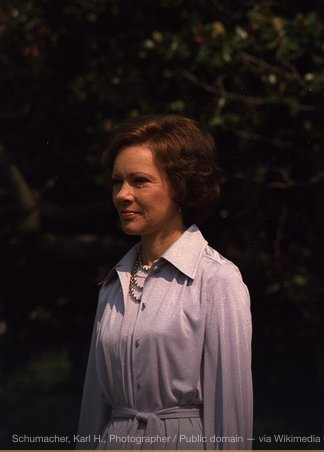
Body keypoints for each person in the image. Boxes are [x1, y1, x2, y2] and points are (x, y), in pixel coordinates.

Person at [77, 115, 252, 449]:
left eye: (139, 181)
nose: (122, 195)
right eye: (117, 182)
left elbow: (231, 410)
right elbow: (92, 405)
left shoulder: (217, 280)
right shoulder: (114, 283)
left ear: (180, 185)